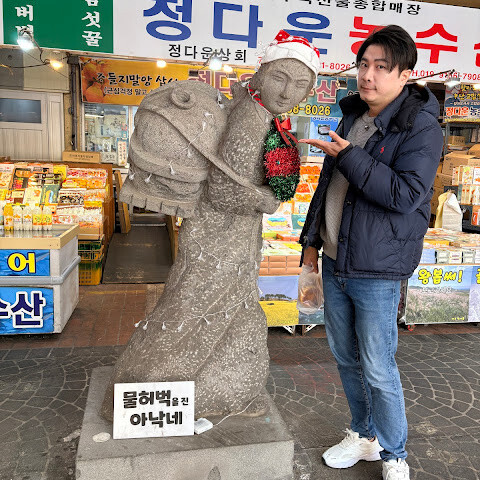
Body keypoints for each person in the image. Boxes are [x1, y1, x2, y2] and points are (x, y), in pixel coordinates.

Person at [299, 25, 443, 480]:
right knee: (346, 358)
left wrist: (349, 156)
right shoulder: (353, 118)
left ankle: (394, 453)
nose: (368, 75)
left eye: (382, 67)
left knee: (379, 366)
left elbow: (405, 195)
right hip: (335, 260)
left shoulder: (421, 127)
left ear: (405, 74)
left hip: (377, 269)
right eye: (364, 64)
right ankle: (363, 435)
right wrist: (310, 245)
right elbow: (328, 188)